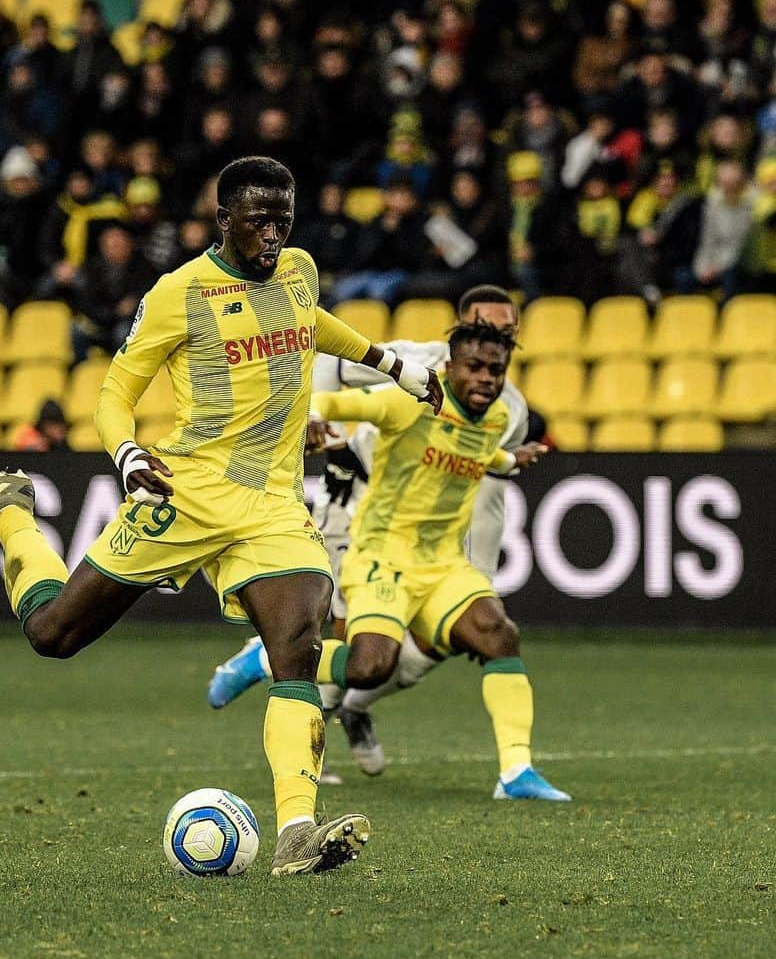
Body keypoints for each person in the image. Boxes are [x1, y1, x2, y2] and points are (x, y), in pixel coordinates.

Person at [0, 156, 444, 876]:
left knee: (297, 643)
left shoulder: (300, 270)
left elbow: (308, 321)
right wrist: (128, 454)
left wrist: (393, 365)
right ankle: (10, 512)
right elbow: (113, 390)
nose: (273, 235)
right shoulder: (178, 293)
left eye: (283, 219)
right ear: (222, 219)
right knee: (53, 634)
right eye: (257, 220)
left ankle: (296, 832)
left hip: (272, 505)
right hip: (183, 492)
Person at [211, 320, 568, 801]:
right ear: (449, 367)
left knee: (498, 635)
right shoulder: (408, 402)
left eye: (496, 370)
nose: (486, 379)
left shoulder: (499, 417)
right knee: (370, 666)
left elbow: (481, 452)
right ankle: (265, 656)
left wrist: (510, 462)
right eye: (476, 368)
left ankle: (515, 773)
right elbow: (338, 402)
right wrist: (316, 415)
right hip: (382, 557)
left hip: (442, 565)